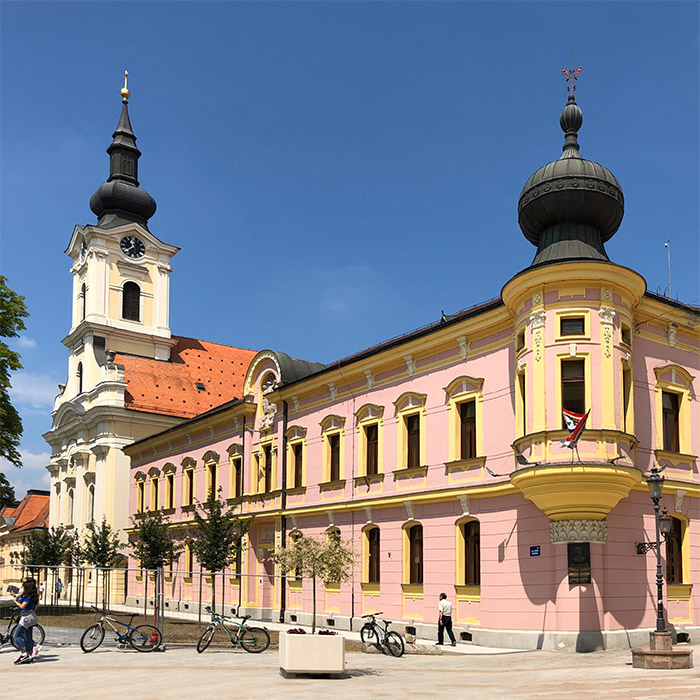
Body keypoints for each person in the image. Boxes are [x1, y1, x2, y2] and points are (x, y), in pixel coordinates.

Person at [11, 577, 40, 664]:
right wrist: (15, 596)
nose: (22, 585)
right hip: (32, 616)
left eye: (24, 584)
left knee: (16, 635)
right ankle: (29, 655)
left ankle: (24, 654)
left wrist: (15, 601)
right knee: (28, 637)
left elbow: (22, 606)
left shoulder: (28, 596)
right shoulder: (34, 595)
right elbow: (35, 607)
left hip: (26, 617)